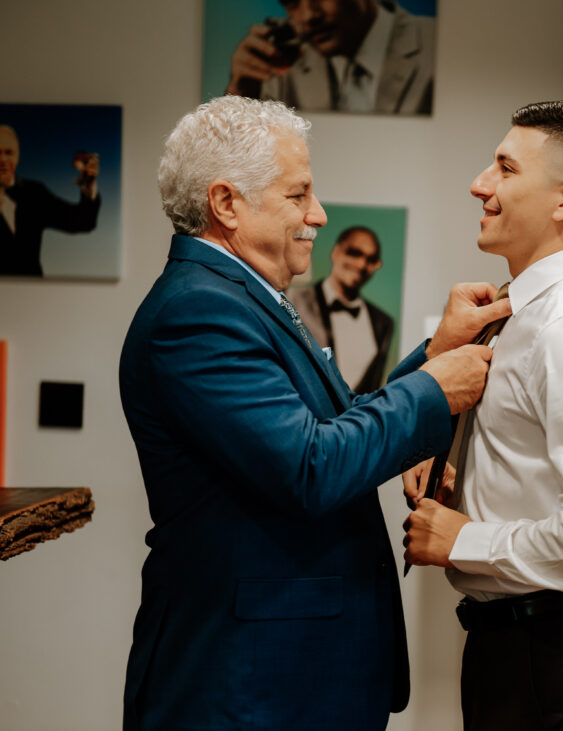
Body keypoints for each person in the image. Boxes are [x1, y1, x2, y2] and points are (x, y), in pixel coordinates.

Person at [119, 95, 510, 730]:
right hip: (249, 682)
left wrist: (438, 352)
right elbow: (312, 465)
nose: (319, 215)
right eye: (299, 195)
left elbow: (332, 423)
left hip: (286, 674)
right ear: (226, 204)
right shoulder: (198, 313)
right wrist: (436, 391)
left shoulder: (239, 295)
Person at [403, 101, 563, 731]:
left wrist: (466, 539)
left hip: (557, 660)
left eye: (505, 168)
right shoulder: (520, 310)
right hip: (518, 649)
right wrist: (448, 451)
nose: (479, 184)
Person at [226, 0, 435, 115]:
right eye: (292, 2)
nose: (309, 15)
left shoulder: (437, 42)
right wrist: (240, 93)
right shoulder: (281, 69)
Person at [287, 225, 393, 393]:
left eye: (371, 259)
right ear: (336, 251)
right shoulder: (293, 299)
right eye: (354, 253)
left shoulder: (383, 323)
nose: (361, 264)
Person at [0, 124, 100, 276]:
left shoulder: (34, 193)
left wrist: (88, 185)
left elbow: (82, 221)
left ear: (17, 156)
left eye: (9, 152)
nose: (3, 159)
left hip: (35, 294)